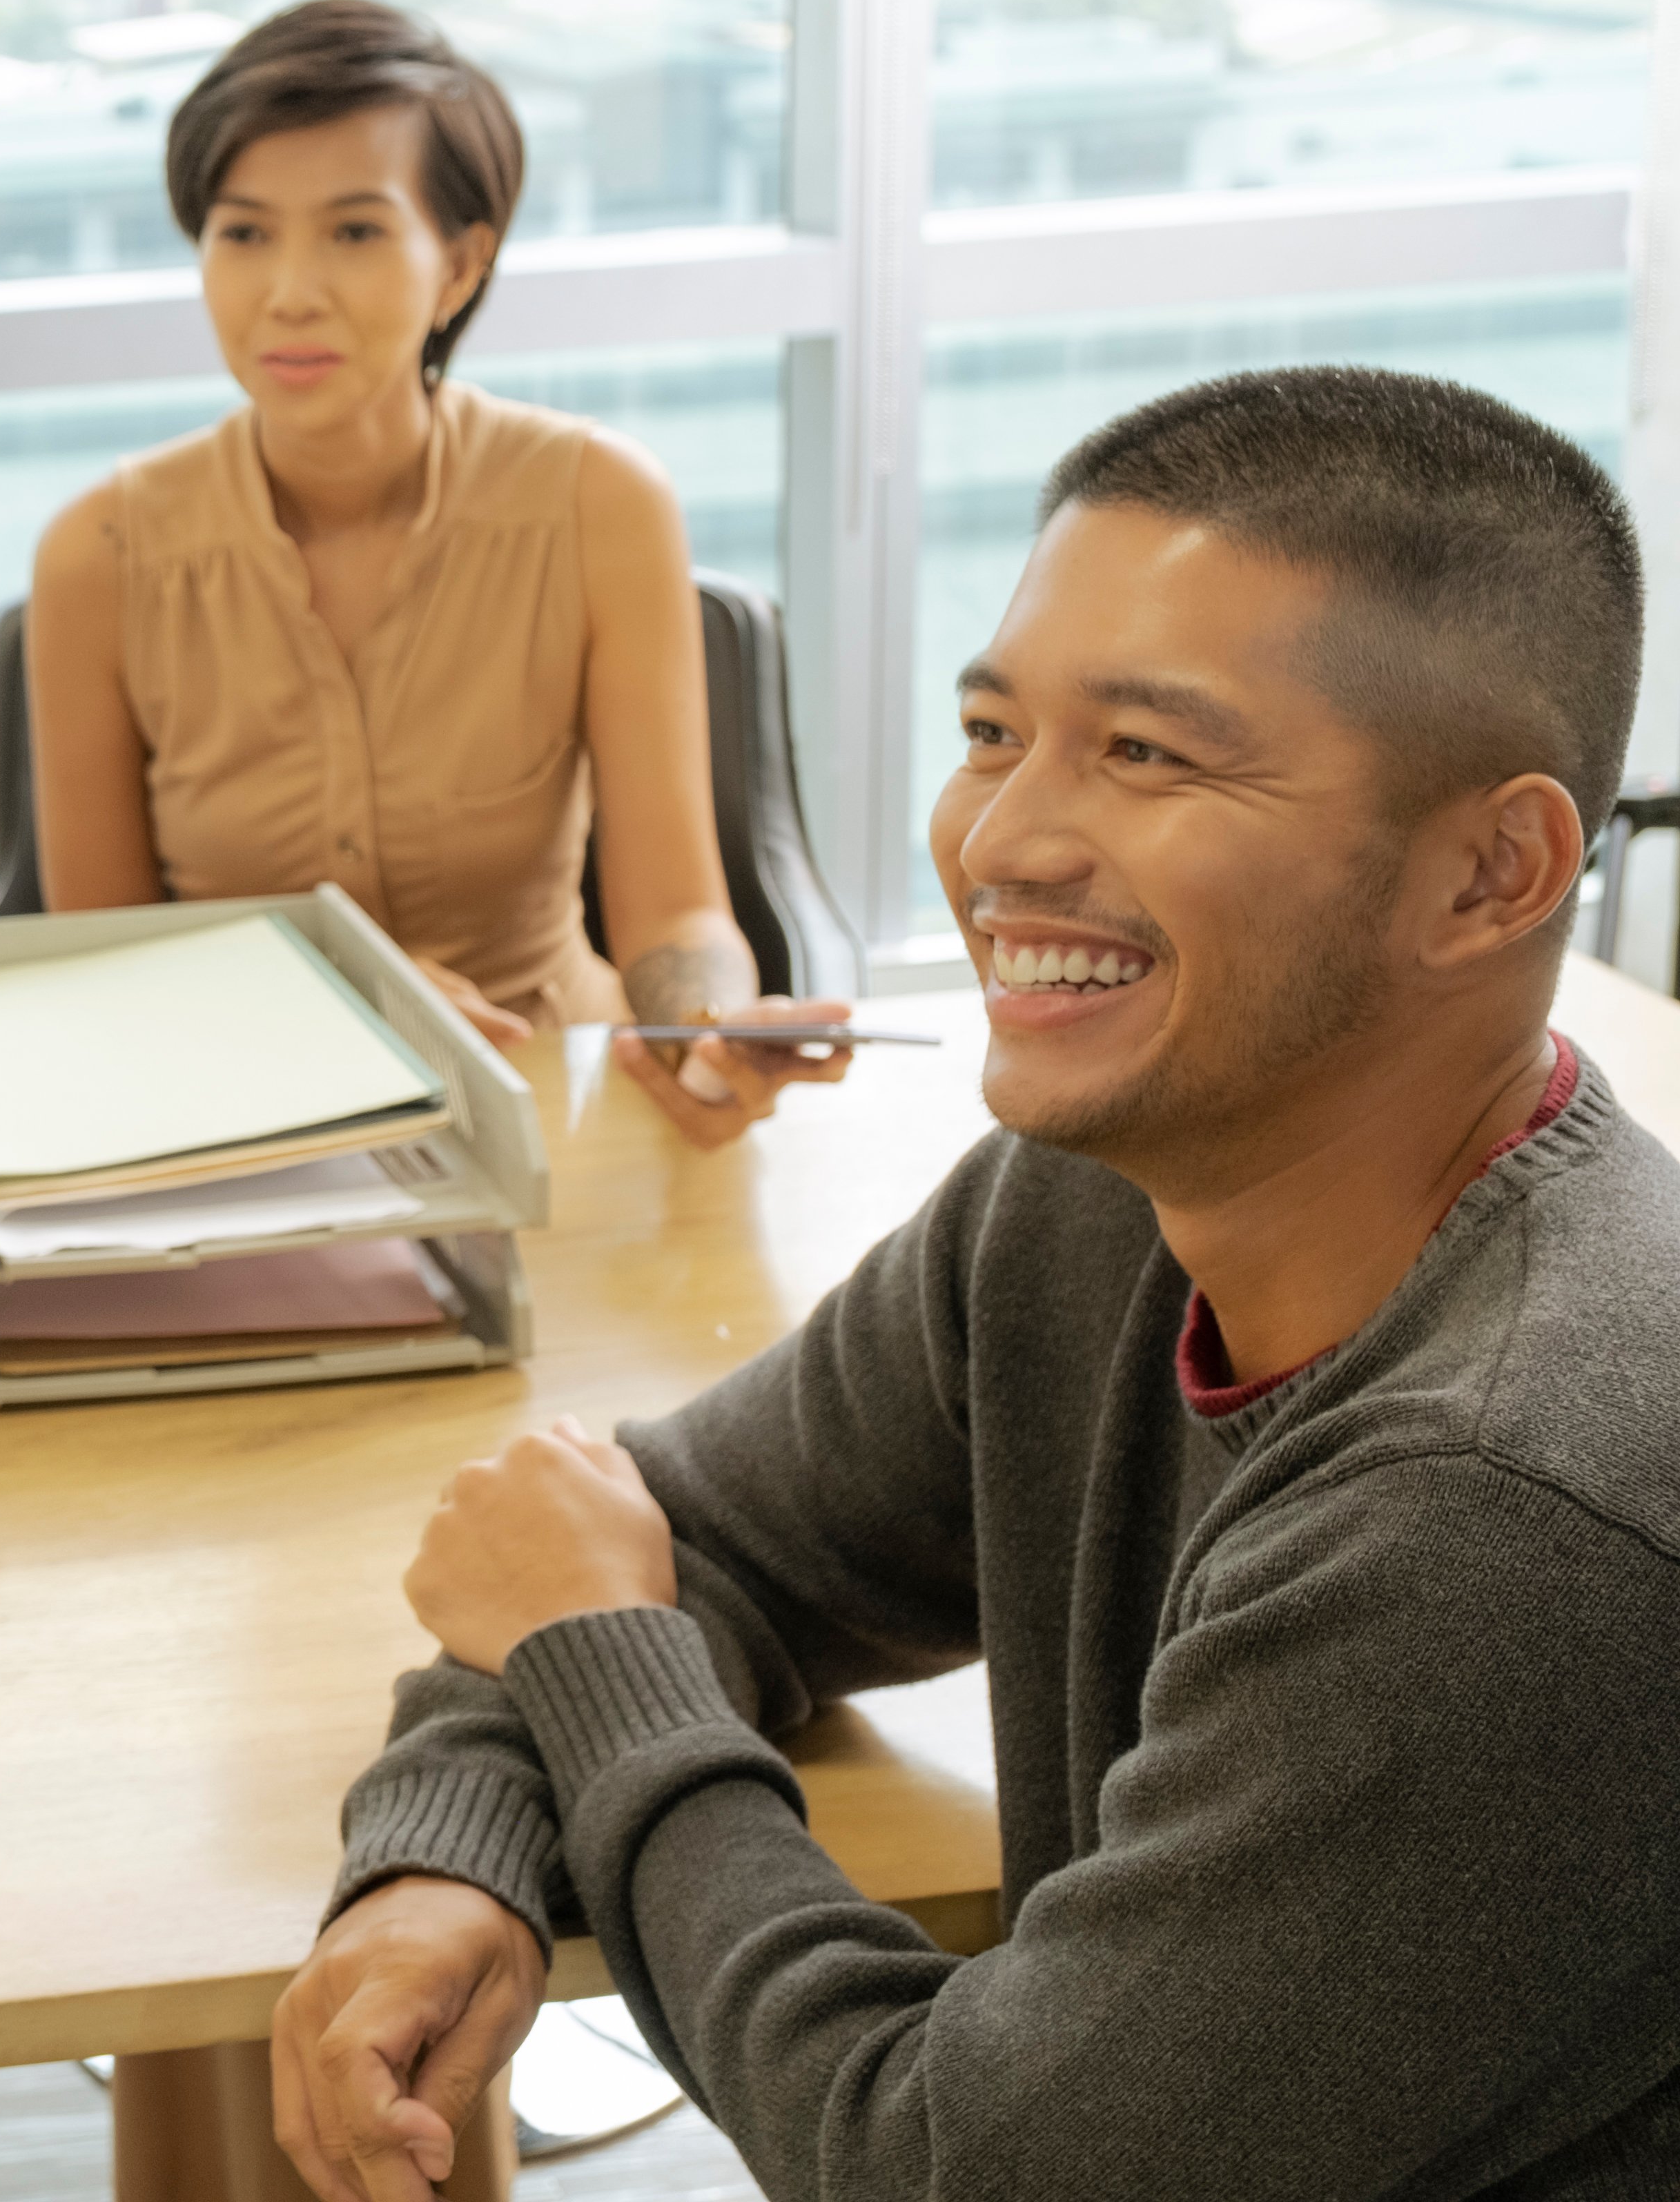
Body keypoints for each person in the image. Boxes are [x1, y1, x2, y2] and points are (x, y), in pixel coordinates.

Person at [266, 367, 1680, 2201]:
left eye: (1149, 755)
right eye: (995, 731)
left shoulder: (1511, 1509)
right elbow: (660, 1544)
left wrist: (598, 1675)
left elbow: (947, 2168)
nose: (1002, 841)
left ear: (1495, 872)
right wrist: (446, 1850)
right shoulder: (1100, 1198)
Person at [27, 0, 850, 1151]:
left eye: (355, 232)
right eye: (244, 233)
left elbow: (676, 914)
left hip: (561, 1108)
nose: (289, 292)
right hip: (243, 1128)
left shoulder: (601, 506)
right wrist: (339, 1001)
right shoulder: (99, 555)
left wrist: (709, 1030)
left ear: (461, 264)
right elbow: (103, 964)